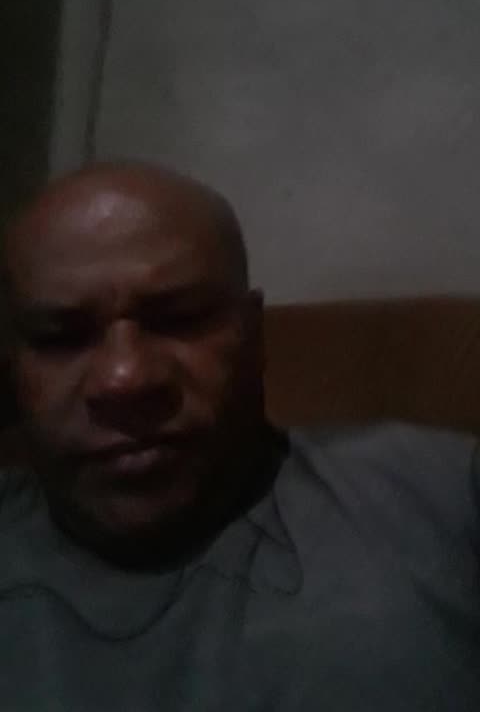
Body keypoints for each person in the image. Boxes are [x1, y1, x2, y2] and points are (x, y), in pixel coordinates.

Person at [0, 160, 478, 711]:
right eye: (60, 337)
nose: (124, 378)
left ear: (252, 336)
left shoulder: (442, 494)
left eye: (179, 319)